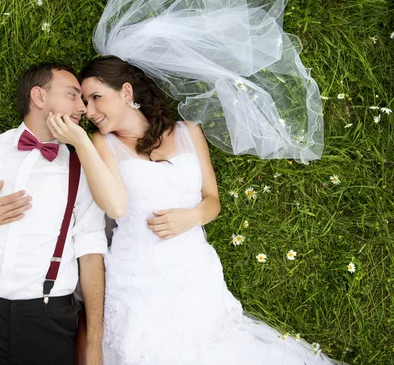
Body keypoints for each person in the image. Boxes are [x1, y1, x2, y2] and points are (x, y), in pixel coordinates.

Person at [47, 55, 345, 364]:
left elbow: (211, 200)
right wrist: (80, 143)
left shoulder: (189, 131)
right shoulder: (100, 143)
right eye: (85, 102)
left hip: (193, 268)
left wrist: (190, 217)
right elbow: (114, 206)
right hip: (138, 278)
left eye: (96, 98)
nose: (89, 111)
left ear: (125, 92)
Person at [0, 63, 107, 365]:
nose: (83, 108)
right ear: (39, 96)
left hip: (48, 324)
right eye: (73, 96)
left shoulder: (84, 169)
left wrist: (94, 343)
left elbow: (91, 255)